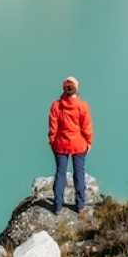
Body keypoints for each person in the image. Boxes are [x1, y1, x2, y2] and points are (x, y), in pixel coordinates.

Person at [47, 76, 93, 214]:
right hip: (79, 143)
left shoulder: (56, 106)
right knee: (79, 173)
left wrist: (52, 141)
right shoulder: (82, 105)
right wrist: (89, 141)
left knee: (60, 173)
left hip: (60, 144)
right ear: (76, 89)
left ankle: (58, 206)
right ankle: (80, 205)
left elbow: (52, 128)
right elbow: (86, 127)